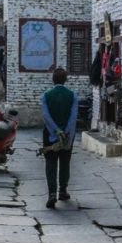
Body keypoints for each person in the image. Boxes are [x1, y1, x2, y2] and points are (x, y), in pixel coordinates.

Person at [41, 67, 78, 209]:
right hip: (68, 136)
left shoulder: (46, 95)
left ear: (53, 80)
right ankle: (63, 191)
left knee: (50, 163)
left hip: (50, 135)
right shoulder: (72, 95)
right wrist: (66, 133)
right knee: (65, 162)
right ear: (65, 80)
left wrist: (56, 131)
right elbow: (73, 117)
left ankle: (51, 193)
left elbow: (46, 117)